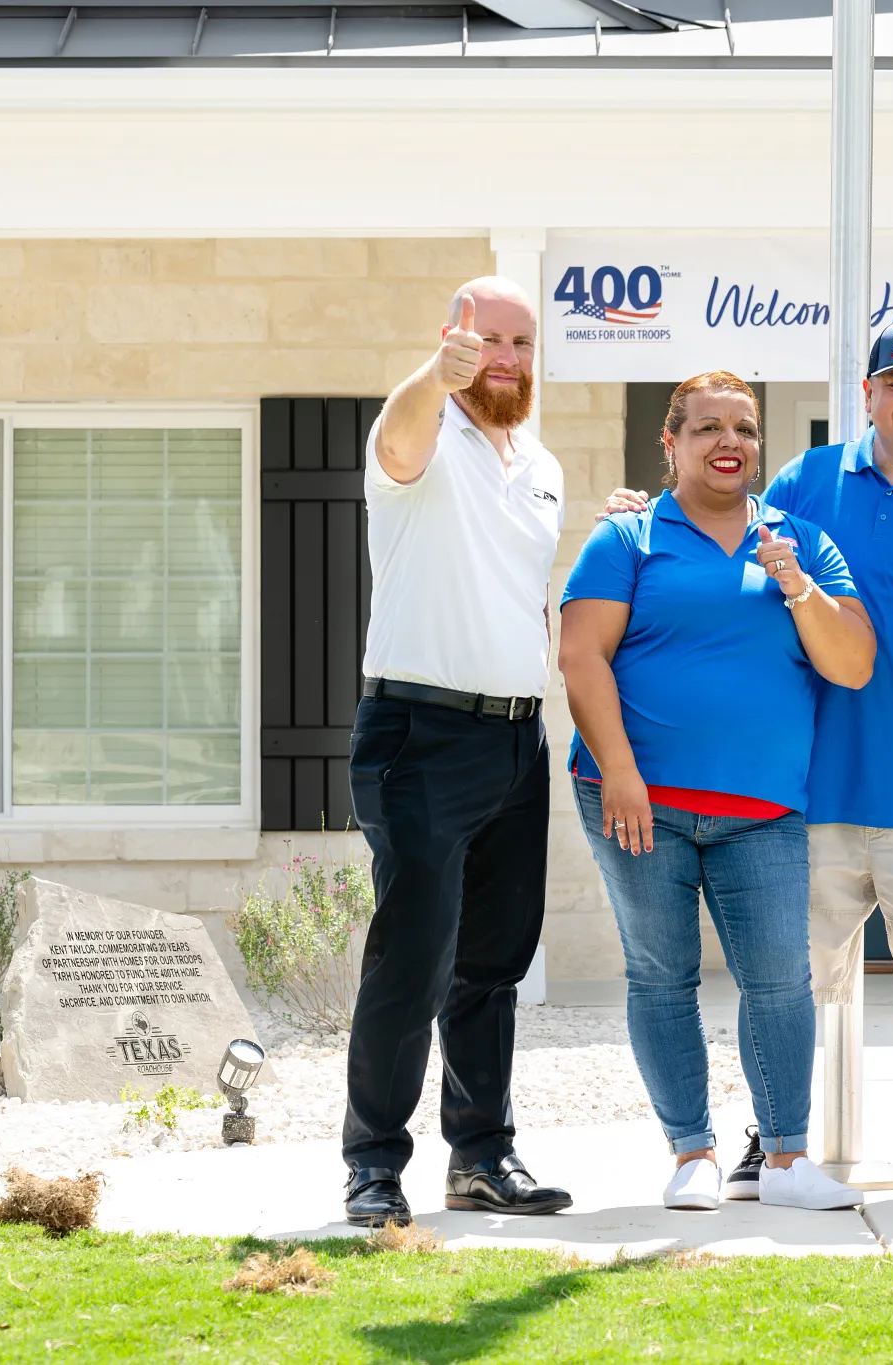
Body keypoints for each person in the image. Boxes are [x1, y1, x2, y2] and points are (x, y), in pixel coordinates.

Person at [604, 321, 893, 1201]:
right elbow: (723, 535)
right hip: (810, 781)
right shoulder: (808, 480)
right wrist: (633, 515)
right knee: (787, 978)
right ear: (868, 392)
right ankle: (774, 1131)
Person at [559, 371, 876, 1212]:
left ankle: (784, 1161)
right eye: (706, 429)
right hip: (635, 801)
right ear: (670, 444)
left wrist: (799, 585)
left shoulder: (801, 542)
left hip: (764, 810)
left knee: (779, 978)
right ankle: (691, 1153)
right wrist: (621, 771)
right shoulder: (626, 539)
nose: (727, 443)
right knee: (661, 975)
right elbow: (580, 657)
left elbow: (853, 663)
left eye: (742, 428)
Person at [340, 277, 574, 1228]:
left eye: (523, 343)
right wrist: (434, 378)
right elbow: (396, 437)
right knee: (413, 958)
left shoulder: (543, 464)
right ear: (455, 341)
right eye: (489, 341)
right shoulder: (423, 438)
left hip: (518, 738)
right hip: (420, 734)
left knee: (493, 963)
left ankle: (481, 1154)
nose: (507, 358)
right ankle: (372, 1167)